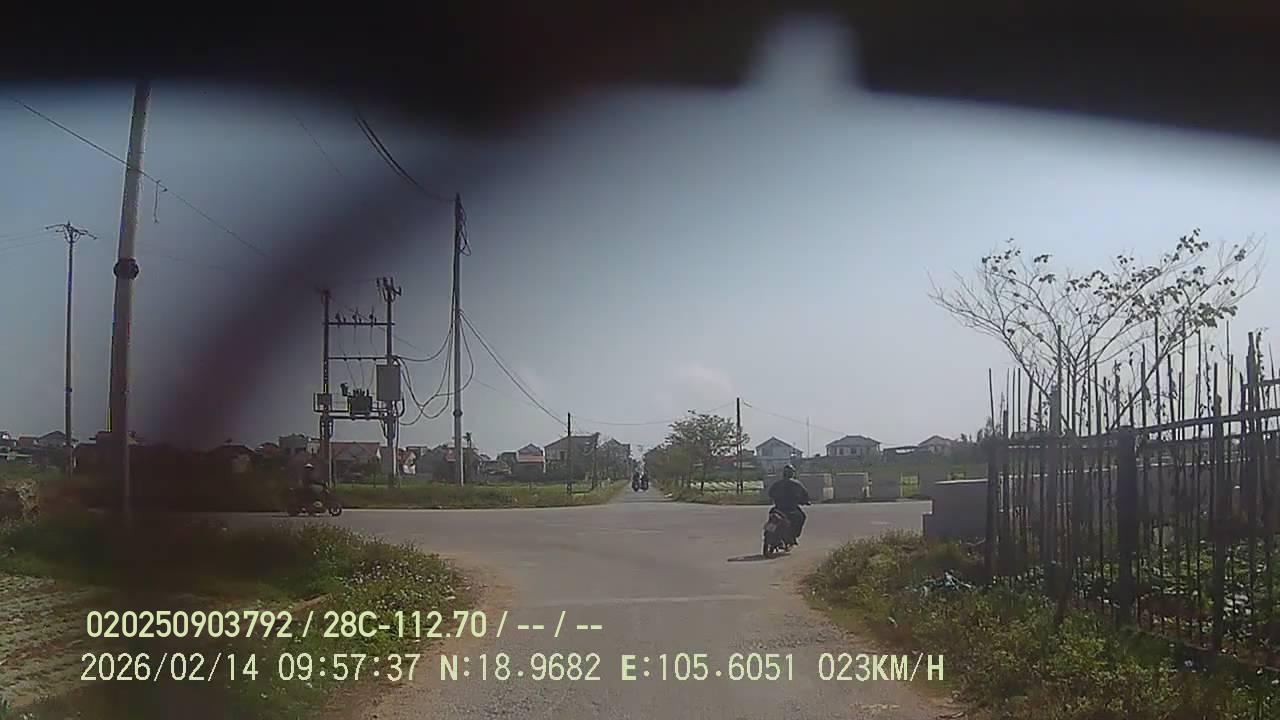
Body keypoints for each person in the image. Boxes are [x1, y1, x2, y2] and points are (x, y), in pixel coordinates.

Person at [767, 463, 810, 544]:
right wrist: (806, 501)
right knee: (801, 517)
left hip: (778, 508)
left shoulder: (777, 483)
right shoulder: (797, 484)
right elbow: (805, 495)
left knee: (771, 514)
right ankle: (793, 536)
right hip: (791, 509)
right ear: (792, 473)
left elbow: (770, 493)